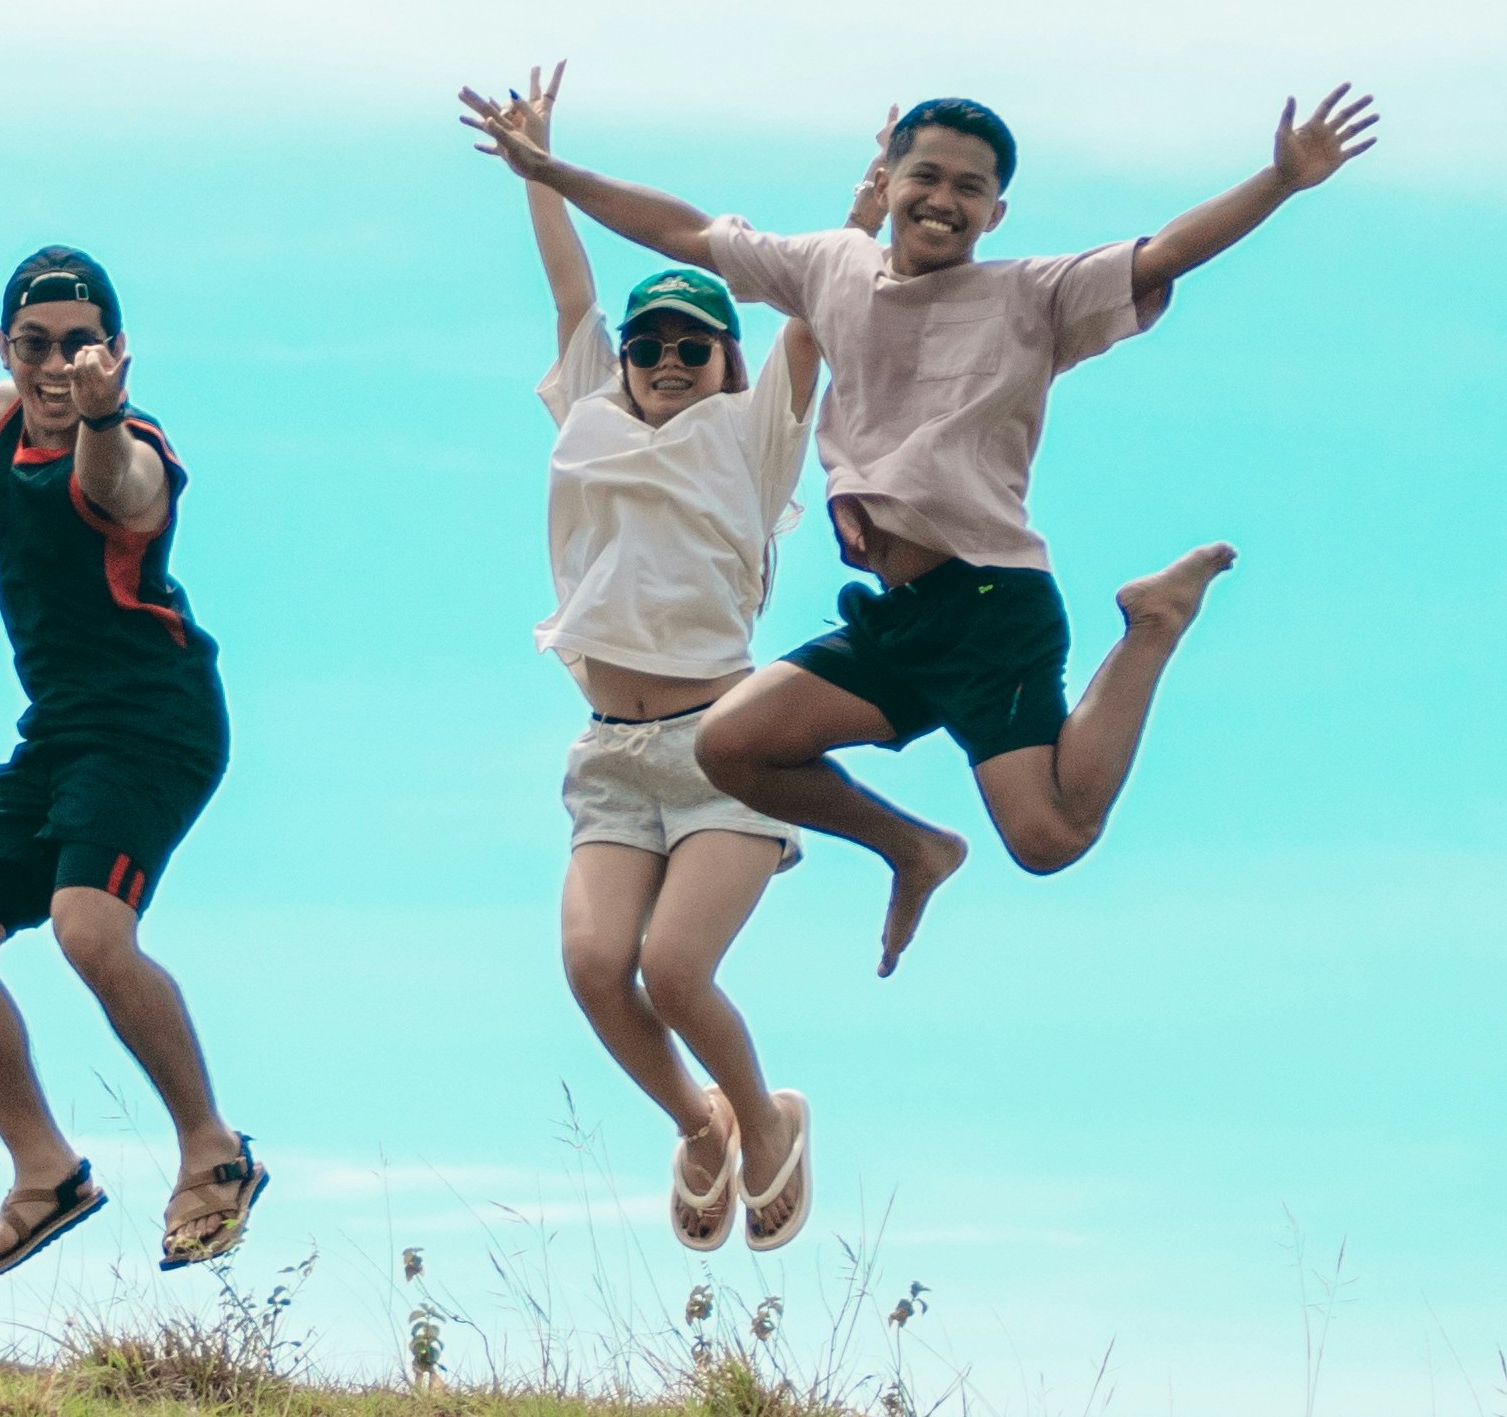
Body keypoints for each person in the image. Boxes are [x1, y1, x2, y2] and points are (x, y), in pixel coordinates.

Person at [463, 83, 1380, 976]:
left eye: (969, 189)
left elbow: (1163, 253)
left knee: (1048, 838)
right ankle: (913, 848)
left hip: (989, 604)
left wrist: (1280, 181)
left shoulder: (1034, 296)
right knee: (730, 745)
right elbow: (682, 231)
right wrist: (552, 171)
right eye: (927, 177)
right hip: (900, 614)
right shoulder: (832, 268)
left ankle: (1150, 627)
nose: (943, 200)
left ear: (995, 211)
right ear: (893, 182)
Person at [468, 67, 866, 1251]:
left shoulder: (752, 437)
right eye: (650, 342)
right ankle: (700, 1127)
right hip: (608, 753)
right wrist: (537, 171)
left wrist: (868, 204)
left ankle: (765, 1119)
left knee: (674, 971)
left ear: (725, 363)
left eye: (696, 342)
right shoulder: (589, 418)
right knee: (597, 969)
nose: (669, 357)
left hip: (722, 749)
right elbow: (566, 290)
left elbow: (813, 313)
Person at [0, 246, 262, 1281]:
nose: (56, 364)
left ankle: (212, 1154)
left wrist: (100, 417)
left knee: (86, 926)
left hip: (156, 718)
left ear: (112, 350)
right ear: (6, 350)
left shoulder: (127, 436)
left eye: (79, 344)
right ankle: (43, 1172)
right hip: (56, 731)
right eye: (34, 345)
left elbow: (126, 496)